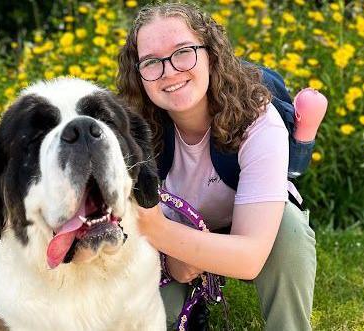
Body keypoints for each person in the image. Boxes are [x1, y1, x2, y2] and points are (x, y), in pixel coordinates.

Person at [117, 3, 317, 330]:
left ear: (211, 52)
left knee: (288, 230)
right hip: (174, 245)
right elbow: (126, 231)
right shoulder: (131, 129)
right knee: (153, 319)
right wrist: (170, 261)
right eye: (151, 62)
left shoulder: (258, 120)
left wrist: (156, 230)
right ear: (138, 74)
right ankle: (192, 312)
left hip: (248, 227)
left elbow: (250, 257)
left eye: (183, 52)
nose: (169, 71)